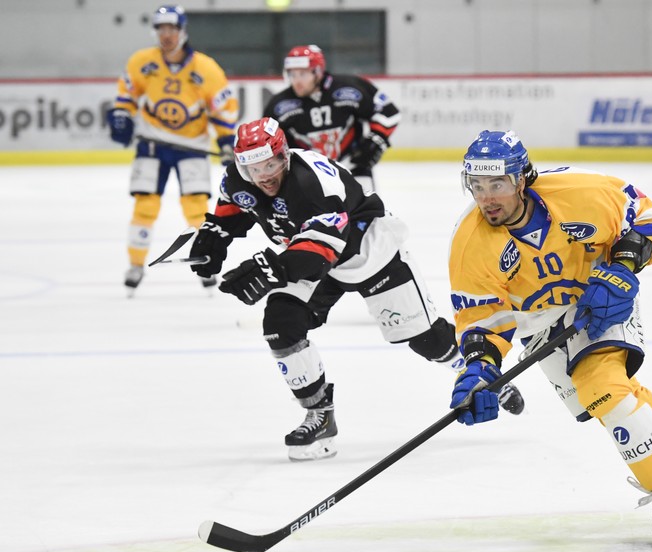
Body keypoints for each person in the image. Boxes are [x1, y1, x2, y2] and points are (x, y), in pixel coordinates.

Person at [447, 130, 652, 544]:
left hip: (601, 296)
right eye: (478, 187)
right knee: (615, 402)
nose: (487, 198)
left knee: (603, 389)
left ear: (522, 179)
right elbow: (483, 318)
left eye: (497, 184)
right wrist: (480, 370)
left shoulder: (579, 191)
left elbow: (643, 212)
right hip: (539, 326)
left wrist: (623, 267)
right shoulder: (469, 243)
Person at [187, 117, 524, 461]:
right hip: (309, 255)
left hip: (368, 252)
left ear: (284, 155)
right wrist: (213, 237)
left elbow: (319, 255)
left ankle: (480, 374)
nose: (263, 175)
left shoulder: (312, 181)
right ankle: (320, 415)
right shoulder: (239, 178)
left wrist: (271, 269)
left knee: (427, 339)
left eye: (270, 164)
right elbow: (233, 210)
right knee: (280, 323)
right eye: (252, 167)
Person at [106, 4, 239, 294]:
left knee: (196, 210)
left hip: (192, 146)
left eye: (172, 29)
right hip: (153, 144)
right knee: (145, 205)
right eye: (161, 29)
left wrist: (226, 141)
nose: (166, 35)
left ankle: (204, 261)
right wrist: (121, 115)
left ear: (183, 31)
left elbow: (222, 107)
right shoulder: (142, 62)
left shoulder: (205, 68)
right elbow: (127, 95)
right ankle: (136, 265)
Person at [262, 44, 399, 193]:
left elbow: (389, 112)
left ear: (318, 72)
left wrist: (375, 141)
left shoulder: (351, 87)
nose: (296, 81)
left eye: (303, 74)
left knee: (367, 213)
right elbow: (268, 143)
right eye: (292, 74)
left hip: (353, 166)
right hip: (309, 174)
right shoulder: (279, 104)